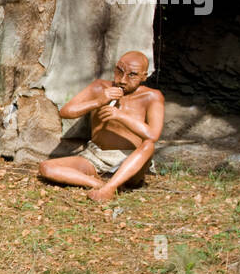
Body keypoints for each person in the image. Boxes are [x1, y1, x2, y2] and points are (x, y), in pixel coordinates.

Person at [37, 50, 164, 201]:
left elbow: (153, 135)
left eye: (132, 75)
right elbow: (65, 112)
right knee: (46, 167)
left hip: (130, 159)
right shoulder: (99, 87)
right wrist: (98, 101)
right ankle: (98, 184)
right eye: (120, 71)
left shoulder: (152, 96)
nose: (122, 80)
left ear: (144, 76)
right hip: (95, 157)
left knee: (149, 146)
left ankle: (110, 188)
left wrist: (120, 116)